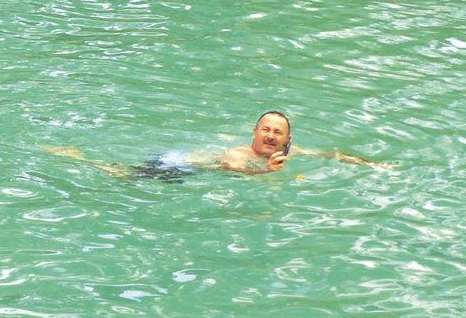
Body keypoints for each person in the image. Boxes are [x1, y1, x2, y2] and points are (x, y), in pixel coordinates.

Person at [45, 111, 391, 180]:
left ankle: (82, 158)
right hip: (179, 165)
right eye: (265, 130)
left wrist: (370, 164)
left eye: (278, 132)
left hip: (188, 161)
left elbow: (329, 155)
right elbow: (233, 170)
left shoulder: (290, 153)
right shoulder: (239, 153)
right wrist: (264, 173)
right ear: (254, 132)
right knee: (123, 176)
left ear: (287, 139)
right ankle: (79, 159)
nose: (271, 136)